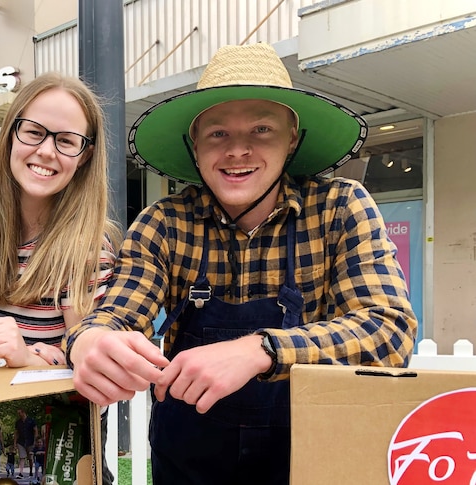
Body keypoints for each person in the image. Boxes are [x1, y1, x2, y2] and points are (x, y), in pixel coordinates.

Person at [64, 42, 418, 484]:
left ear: (292, 139)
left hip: (310, 459)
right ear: (194, 145)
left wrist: (262, 350)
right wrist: (88, 341)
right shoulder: (164, 223)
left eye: (262, 130)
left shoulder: (339, 208)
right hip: (189, 461)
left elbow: (389, 329)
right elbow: (114, 315)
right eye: (218, 134)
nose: (238, 151)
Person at [0, 72, 119, 485]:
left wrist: (23, 358)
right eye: (34, 132)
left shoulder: (88, 253)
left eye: (66, 140)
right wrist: (23, 360)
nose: (46, 151)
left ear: (84, 155)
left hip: (58, 461)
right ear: (11, 134)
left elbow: (90, 391)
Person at [13, 408, 38, 479]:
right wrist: (15, 443)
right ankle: (21, 473)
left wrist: (35, 441)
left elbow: (35, 430)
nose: (19, 415)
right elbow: (16, 433)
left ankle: (30, 471)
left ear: (23, 413)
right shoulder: (18, 422)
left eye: (19, 413)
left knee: (30, 458)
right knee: (22, 457)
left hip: (30, 441)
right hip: (21, 442)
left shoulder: (31, 421)